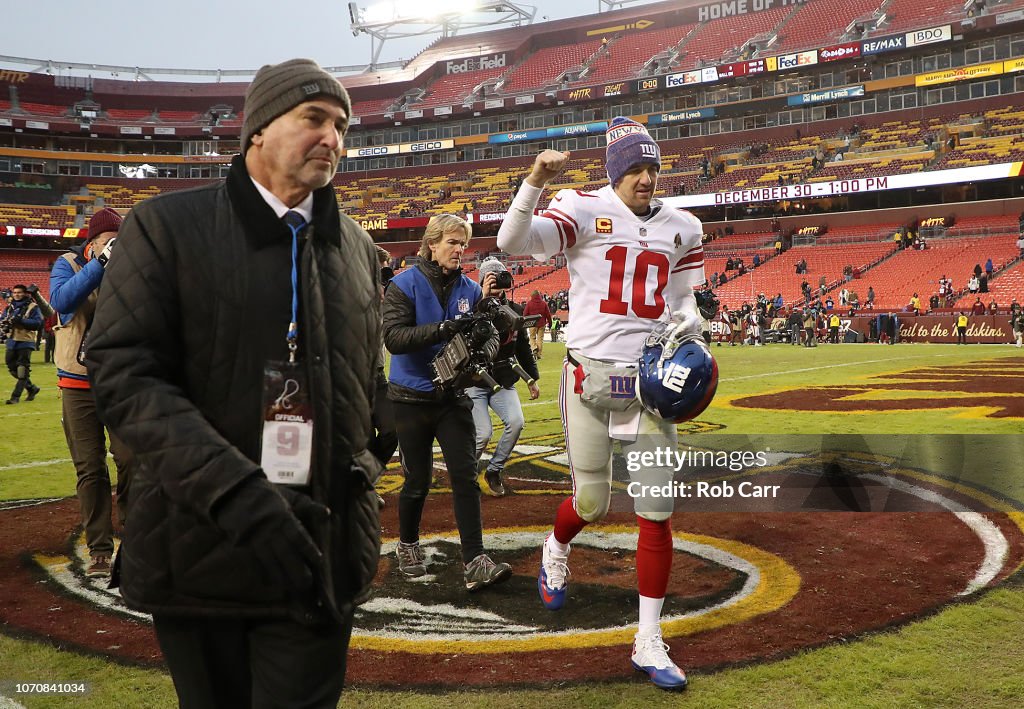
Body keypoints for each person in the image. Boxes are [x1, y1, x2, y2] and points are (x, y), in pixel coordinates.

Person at [86, 59, 383, 708]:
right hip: (201, 545)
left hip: (317, 548)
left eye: (341, 124)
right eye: (314, 118)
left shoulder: (358, 249)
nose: (332, 136)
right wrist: (236, 493)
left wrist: (357, 474)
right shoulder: (166, 228)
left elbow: (368, 388)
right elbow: (123, 371)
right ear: (258, 130)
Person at [496, 116, 705, 690]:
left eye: (651, 167)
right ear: (616, 171)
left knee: (656, 512)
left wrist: (690, 327)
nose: (646, 178)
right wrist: (535, 180)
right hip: (588, 378)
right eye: (634, 168)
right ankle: (555, 545)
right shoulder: (582, 209)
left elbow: (686, 300)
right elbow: (511, 244)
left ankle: (648, 640)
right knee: (590, 501)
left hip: (648, 383)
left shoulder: (683, 226)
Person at [383, 214, 513, 591]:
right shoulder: (403, 285)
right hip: (410, 397)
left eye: (463, 243)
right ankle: (407, 544)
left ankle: (474, 559)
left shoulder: (472, 290)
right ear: (432, 243)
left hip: (452, 397)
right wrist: (442, 330)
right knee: (418, 480)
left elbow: (487, 337)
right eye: (453, 242)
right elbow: (393, 337)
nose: (460, 249)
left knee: (464, 475)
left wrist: (484, 353)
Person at [48, 208, 135, 577]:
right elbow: (63, 302)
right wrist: (101, 263)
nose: (116, 245)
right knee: (91, 468)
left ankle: (134, 542)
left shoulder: (130, 265)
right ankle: (99, 548)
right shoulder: (67, 263)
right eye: (108, 239)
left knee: (132, 460)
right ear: (93, 242)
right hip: (78, 381)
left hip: (121, 382)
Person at [469, 258, 541, 497]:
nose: (498, 282)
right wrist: (481, 300)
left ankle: (494, 470)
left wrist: (533, 378)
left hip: (504, 379)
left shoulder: (515, 311)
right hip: (475, 381)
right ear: (482, 281)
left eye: (501, 276)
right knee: (483, 433)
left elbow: (523, 349)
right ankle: (465, 474)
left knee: (516, 421)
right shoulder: (470, 307)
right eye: (492, 277)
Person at [3, 284, 43, 404]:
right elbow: (3, 319)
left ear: (25, 293)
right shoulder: (9, 307)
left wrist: (21, 320)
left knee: (22, 370)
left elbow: (37, 323)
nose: (16, 295)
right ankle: (32, 388)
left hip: (26, 341)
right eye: (15, 293)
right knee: (12, 368)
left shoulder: (33, 307)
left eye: (19, 292)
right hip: (11, 341)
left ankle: (15, 397)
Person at [523, 289, 552, 358]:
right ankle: (539, 355)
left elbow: (525, 314)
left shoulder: (529, 303)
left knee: (532, 337)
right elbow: (548, 314)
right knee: (540, 339)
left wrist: (526, 322)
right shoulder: (544, 303)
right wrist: (550, 323)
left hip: (532, 323)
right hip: (542, 323)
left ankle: (534, 348)